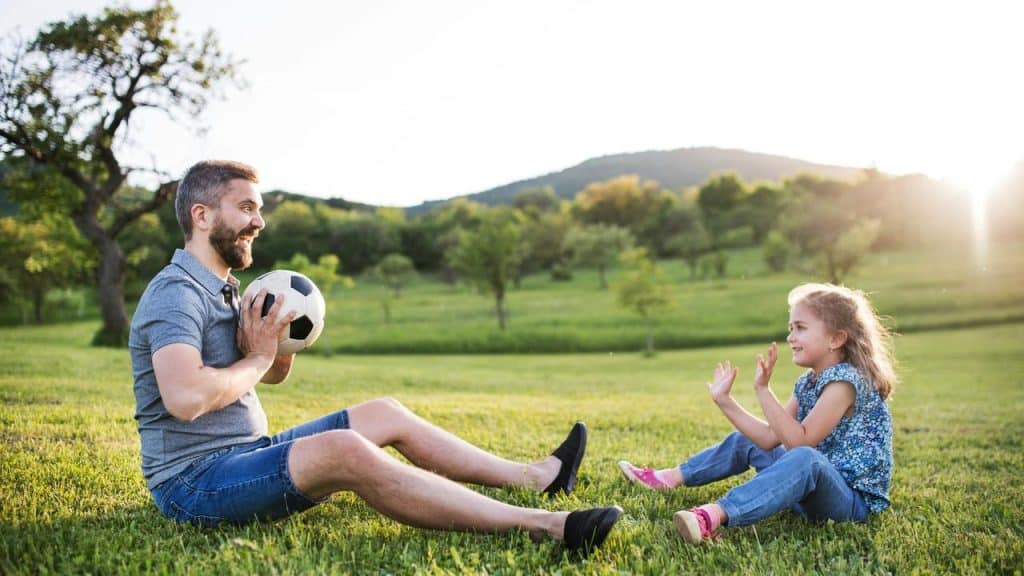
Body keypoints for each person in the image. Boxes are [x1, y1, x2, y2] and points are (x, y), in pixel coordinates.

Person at [129, 160, 621, 554]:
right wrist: (257, 359)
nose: (259, 221)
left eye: (258, 210)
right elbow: (186, 397)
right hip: (194, 484)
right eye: (246, 208)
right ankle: (543, 526)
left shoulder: (228, 289)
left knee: (383, 412)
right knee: (345, 449)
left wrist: (276, 352)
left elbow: (262, 377)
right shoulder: (176, 294)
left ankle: (535, 477)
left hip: (247, 452)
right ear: (202, 215)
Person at [617, 283, 895, 544]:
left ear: (836, 338)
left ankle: (712, 516)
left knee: (806, 458)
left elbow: (800, 443)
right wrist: (724, 400)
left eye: (800, 328)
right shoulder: (808, 382)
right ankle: (667, 479)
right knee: (746, 441)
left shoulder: (845, 383)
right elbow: (769, 437)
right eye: (790, 328)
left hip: (849, 503)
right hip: (809, 489)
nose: (790, 337)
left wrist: (763, 390)